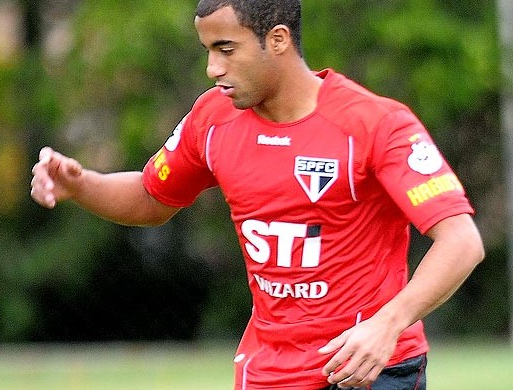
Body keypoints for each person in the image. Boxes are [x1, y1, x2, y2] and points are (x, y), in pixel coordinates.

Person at [30, 0, 485, 389]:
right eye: (208, 50)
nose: (213, 68)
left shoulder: (375, 124)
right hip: (269, 369)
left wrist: (388, 323)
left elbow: (461, 240)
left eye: (226, 49)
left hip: (367, 368)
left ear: (279, 40)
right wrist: (81, 184)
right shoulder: (213, 119)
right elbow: (152, 198)